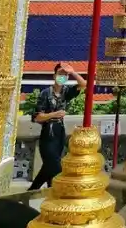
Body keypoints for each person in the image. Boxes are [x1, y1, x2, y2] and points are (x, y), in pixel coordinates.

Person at [28, 63, 86, 191]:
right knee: (55, 166)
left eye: (65, 75)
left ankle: (38, 191)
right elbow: (37, 117)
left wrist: (73, 72)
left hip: (59, 132)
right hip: (48, 132)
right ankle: (38, 190)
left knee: (49, 168)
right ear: (54, 75)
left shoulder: (66, 92)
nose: (62, 77)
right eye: (60, 74)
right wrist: (54, 114)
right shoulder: (45, 93)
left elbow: (84, 85)